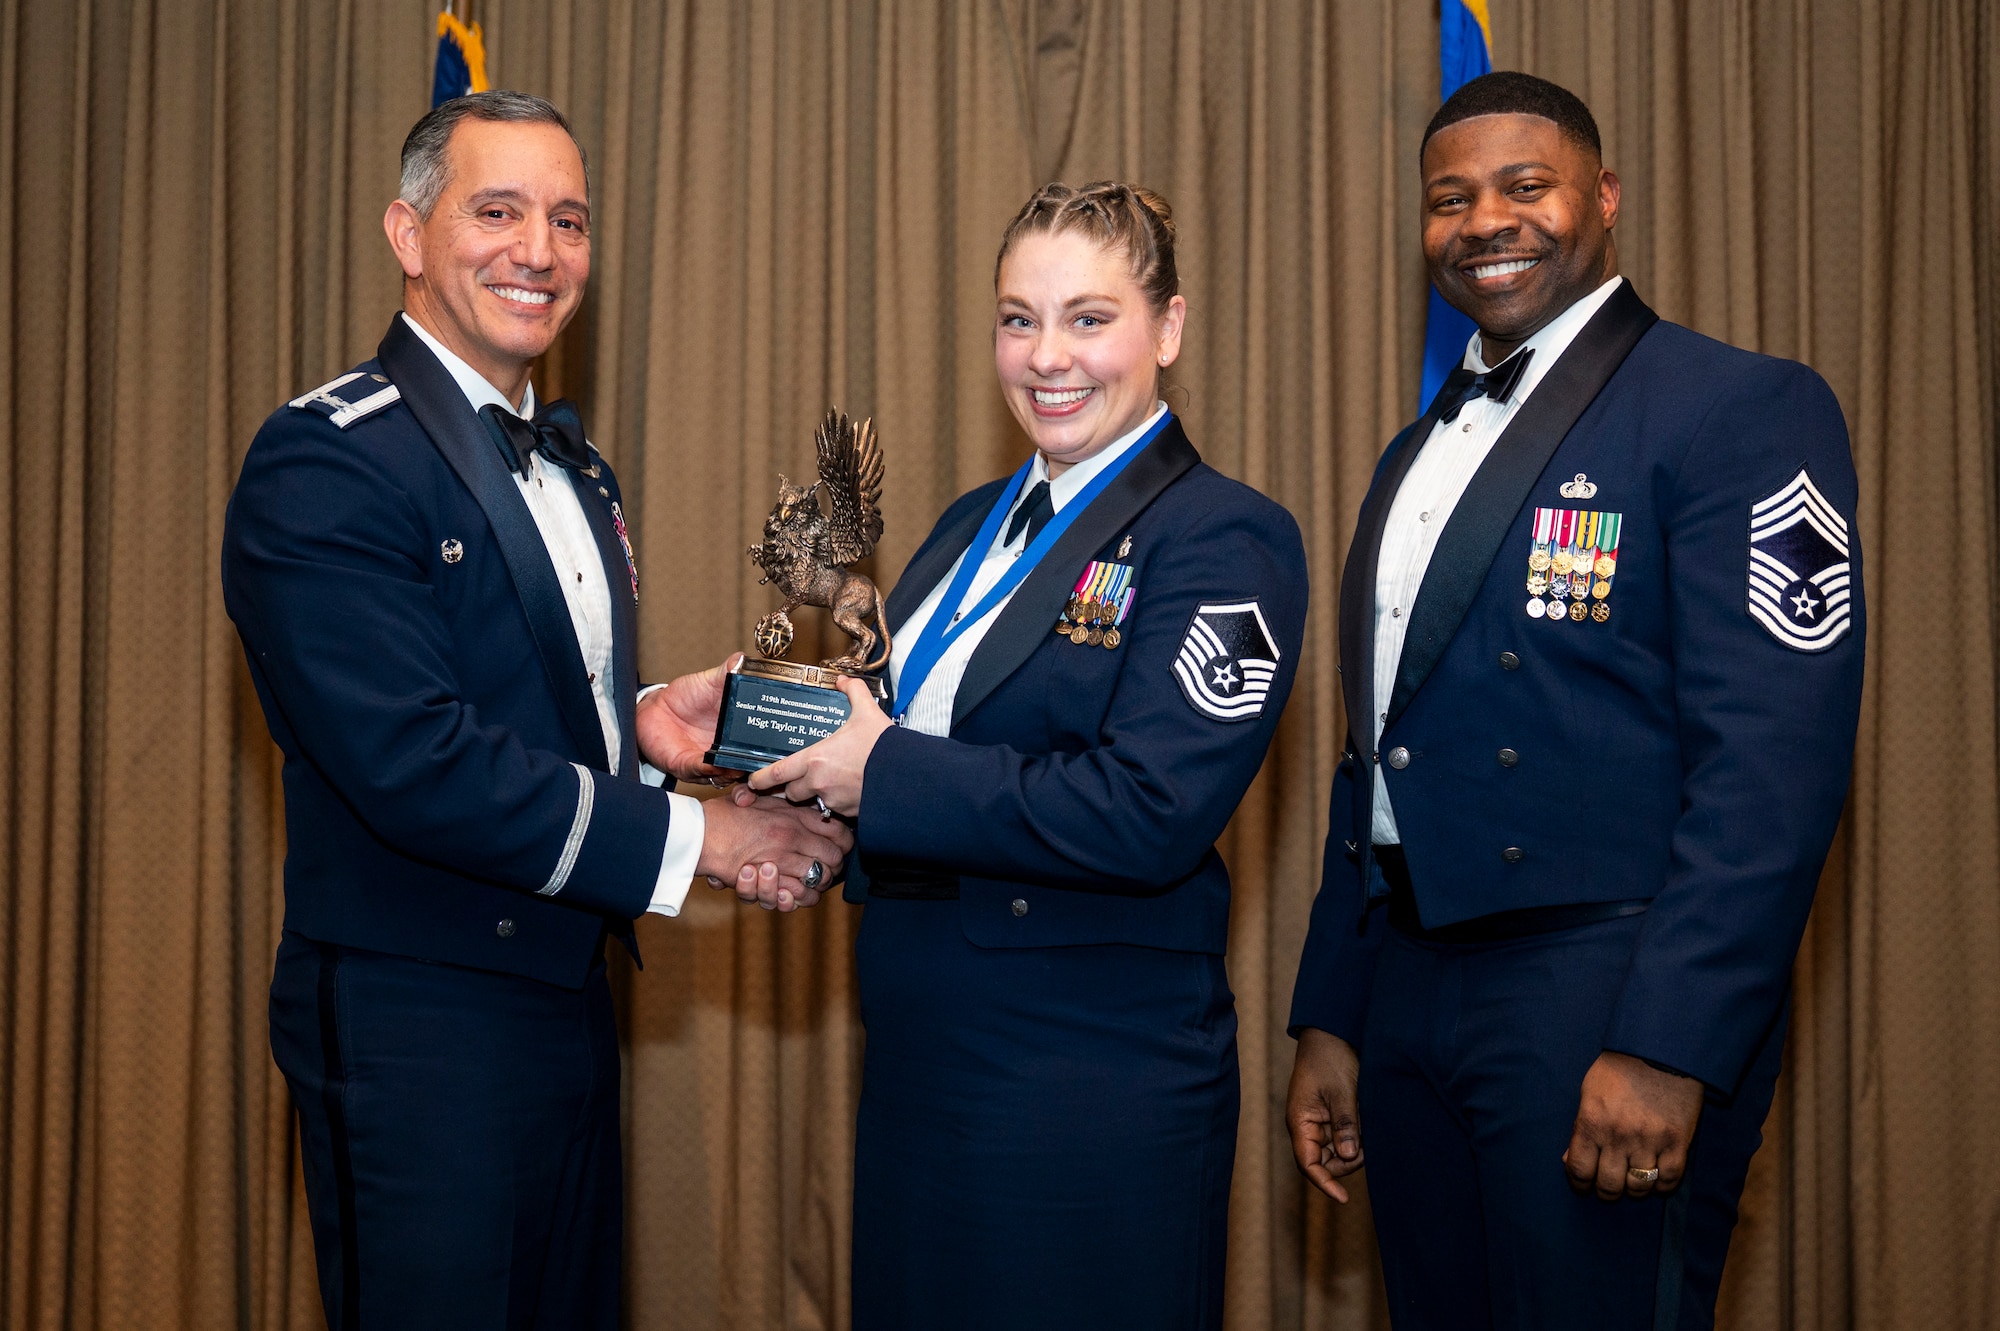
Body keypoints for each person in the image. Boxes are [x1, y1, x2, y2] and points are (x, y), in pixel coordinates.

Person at [221, 91, 851, 1330]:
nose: (540, 250)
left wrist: (647, 726)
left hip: (562, 1001)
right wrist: (704, 841)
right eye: (496, 211)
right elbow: (413, 756)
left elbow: (507, 701)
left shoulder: (574, 463)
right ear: (407, 233)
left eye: (568, 220)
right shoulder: (328, 456)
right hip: (419, 1020)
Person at [1284, 72, 1864, 1329]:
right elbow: (1376, 747)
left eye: (1522, 185)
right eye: (1449, 198)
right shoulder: (1413, 449)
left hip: (1600, 988)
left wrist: (1669, 1039)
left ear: (1600, 198)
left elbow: (1772, 767)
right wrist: (1333, 1009)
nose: (1484, 218)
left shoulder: (1739, 407)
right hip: (1410, 987)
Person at [752, 182, 1308, 1330]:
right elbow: (887, 733)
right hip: (923, 1068)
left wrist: (880, 774)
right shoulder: (967, 524)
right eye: (1018, 318)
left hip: (1085, 1089)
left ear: (1168, 328)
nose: (1047, 356)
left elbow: (1147, 808)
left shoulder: (1223, 535)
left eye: (1088, 318)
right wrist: (745, 733)